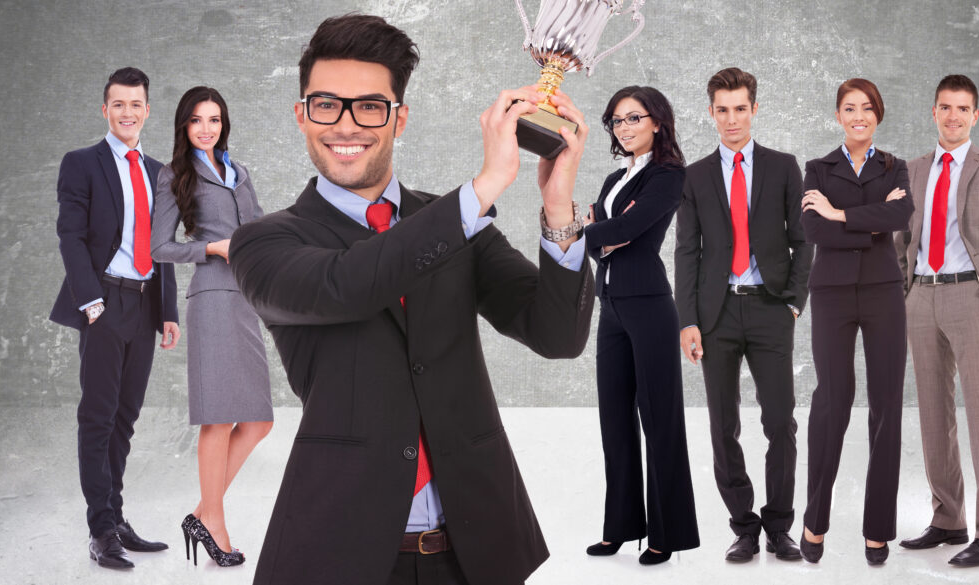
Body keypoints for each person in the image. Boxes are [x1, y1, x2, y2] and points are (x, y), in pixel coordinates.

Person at [227, 13, 594, 585]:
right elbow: (347, 284)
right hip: (340, 554)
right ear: (301, 116)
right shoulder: (265, 242)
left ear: (400, 119)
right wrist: (485, 186)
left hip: (477, 551)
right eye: (326, 105)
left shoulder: (453, 224)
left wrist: (557, 207)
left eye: (370, 106)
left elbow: (557, 336)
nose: (345, 125)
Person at [673, 67, 811, 563]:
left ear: (755, 109)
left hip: (772, 307)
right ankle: (744, 526)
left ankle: (779, 525)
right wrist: (687, 320)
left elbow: (803, 237)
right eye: (722, 110)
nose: (732, 119)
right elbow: (686, 251)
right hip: (717, 313)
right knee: (722, 424)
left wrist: (795, 299)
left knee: (781, 422)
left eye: (741, 108)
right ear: (711, 113)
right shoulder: (695, 177)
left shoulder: (783, 167)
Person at [49, 67, 181, 569]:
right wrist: (90, 300)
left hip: (145, 304)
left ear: (148, 110)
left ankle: (117, 516)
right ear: (105, 110)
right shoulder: (82, 163)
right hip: (102, 301)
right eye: (118, 104)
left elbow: (163, 246)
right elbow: (70, 235)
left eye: (136, 104)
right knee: (98, 417)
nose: (128, 113)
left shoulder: (159, 171)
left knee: (126, 416)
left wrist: (167, 310)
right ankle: (100, 529)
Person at [895, 74, 979, 567]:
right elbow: (900, 242)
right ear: (933, 113)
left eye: (962, 108)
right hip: (921, 298)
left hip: (972, 296)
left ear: (975, 115)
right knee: (933, 414)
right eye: (945, 107)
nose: (953, 116)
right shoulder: (912, 170)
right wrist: (904, 292)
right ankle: (948, 519)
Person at [150, 86, 274, 567]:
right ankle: (215, 523)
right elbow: (160, 248)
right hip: (212, 298)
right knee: (219, 417)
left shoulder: (239, 172)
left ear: (224, 124)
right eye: (197, 120)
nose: (207, 128)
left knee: (259, 421)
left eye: (215, 120)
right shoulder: (175, 175)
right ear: (184, 125)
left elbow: (259, 229)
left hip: (245, 299)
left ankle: (202, 513)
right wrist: (212, 248)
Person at [798, 78, 914, 566]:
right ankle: (815, 519)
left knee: (886, 405)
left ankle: (877, 529)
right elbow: (812, 228)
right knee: (832, 400)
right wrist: (870, 219)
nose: (859, 115)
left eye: (867, 108)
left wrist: (840, 213)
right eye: (850, 108)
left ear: (878, 115)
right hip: (831, 294)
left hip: (885, 292)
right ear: (839, 116)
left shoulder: (897, 167)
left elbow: (902, 216)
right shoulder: (817, 168)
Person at [582, 86, 699, 566]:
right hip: (609, 303)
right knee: (614, 418)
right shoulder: (615, 176)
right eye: (616, 120)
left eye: (634, 118)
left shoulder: (669, 174)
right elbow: (598, 240)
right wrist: (602, 235)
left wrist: (599, 232)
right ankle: (621, 526)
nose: (624, 127)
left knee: (660, 419)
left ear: (657, 121)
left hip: (650, 304)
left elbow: (626, 231)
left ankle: (664, 534)